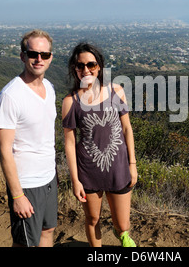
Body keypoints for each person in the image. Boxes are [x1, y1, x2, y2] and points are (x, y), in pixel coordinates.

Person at [62, 42, 138, 247]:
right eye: (80, 66)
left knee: (123, 224)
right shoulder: (71, 101)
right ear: (74, 69)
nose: (86, 70)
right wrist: (75, 179)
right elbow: (69, 143)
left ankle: (122, 234)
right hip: (88, 170)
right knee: (92, 219)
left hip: (119, 167)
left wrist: (133, 164)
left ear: (99, 66)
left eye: (91, 64)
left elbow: (127, 129)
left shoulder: (116, 91)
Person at [0, 29, 58, 247]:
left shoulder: (50, 88)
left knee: (47, 231)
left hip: (49, 178)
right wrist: (17, 196)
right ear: (23, 56)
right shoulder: (11, 96)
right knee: (25, 243)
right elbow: (4, 149)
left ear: (51, 58)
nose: (39, 59)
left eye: (45, 54)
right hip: (27, 183)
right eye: (33, 54)